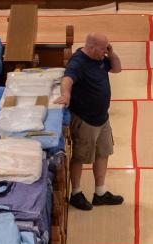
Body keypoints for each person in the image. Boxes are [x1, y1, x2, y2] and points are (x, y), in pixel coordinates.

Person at [56, 32, 123, 211]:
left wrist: (111, 53)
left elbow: (117, 69)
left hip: (102, 118)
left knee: (103, 152)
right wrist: (65, 95)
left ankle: (100, 193)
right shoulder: (78, 62)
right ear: (92, 48)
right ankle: (76, 193)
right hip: (85, 120)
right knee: (80, 157)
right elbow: (67, 79)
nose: (105, 52)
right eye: (103, 49)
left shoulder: (100, 57)